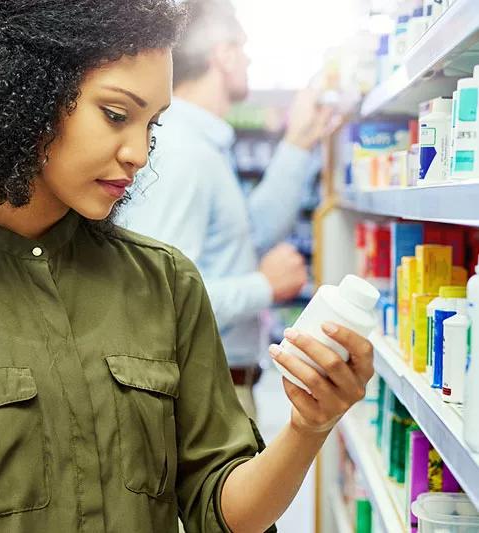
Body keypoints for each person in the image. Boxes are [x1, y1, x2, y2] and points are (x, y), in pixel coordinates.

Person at [0, 1, 373, 532]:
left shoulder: (166, 283)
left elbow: (217, 508)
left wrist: (308, 425)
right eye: (116, 115)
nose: (139, 152)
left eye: (152, 125)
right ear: (25, 93)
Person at [122, 0, 333, 418]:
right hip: (201, 398)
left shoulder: (201, 143)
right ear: (224, 53)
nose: (249, 59)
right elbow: (156, 301)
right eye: (244, 46)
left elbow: (245, 234)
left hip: (215, 388)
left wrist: (298, 144)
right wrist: (263, 287)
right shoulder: (183, 152)